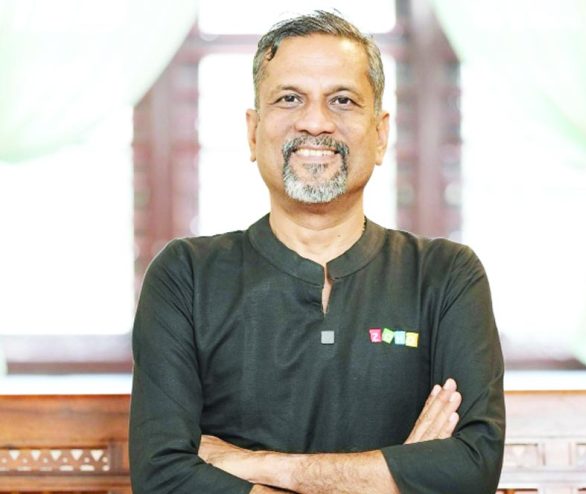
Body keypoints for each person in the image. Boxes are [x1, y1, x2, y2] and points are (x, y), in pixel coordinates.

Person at [129, 10, 505, 493]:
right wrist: (399, 477)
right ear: (252, 131)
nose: (315, 122)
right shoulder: (186, 275)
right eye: (289, 99)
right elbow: (162, 477)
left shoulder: (446, 275)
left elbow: (471, 469)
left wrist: (262, 465)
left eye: (342, 100)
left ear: (381, 134)